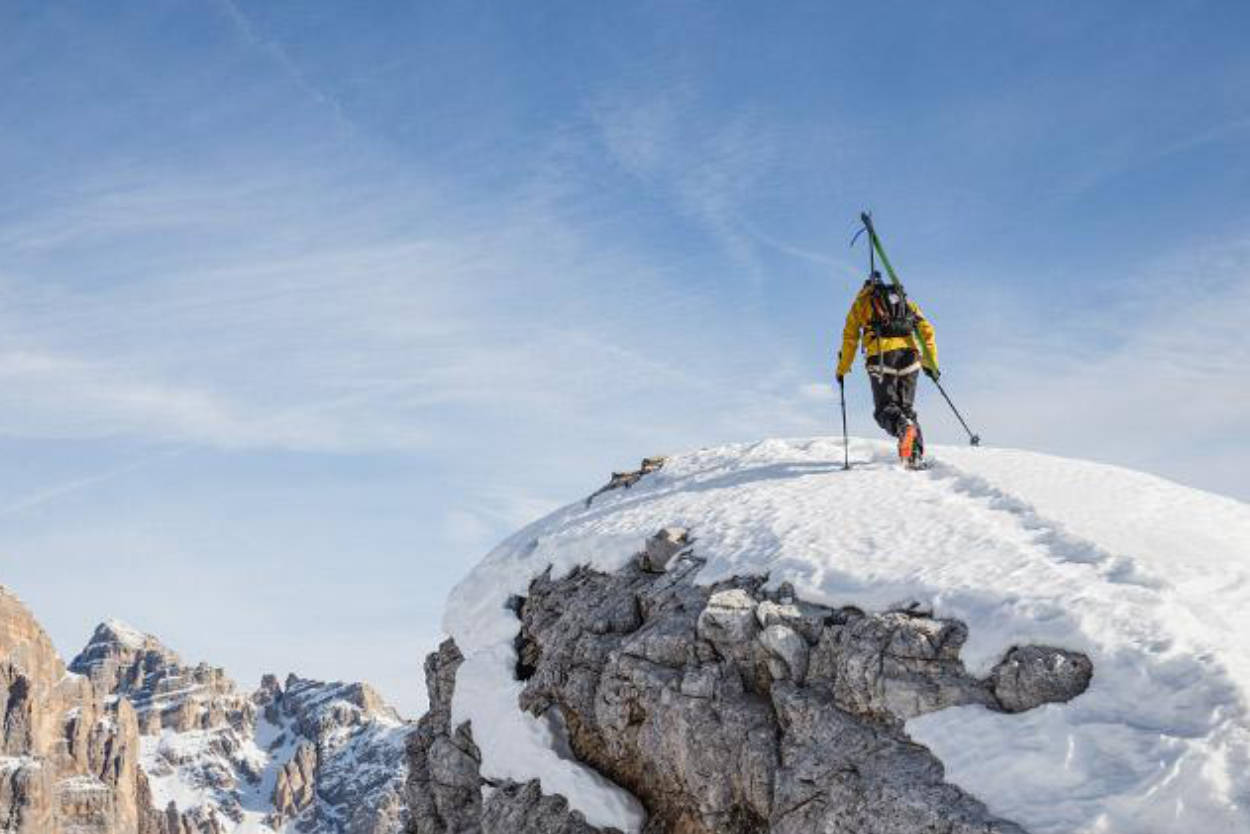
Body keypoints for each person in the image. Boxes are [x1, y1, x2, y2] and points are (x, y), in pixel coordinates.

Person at [835, 271, 939, 466]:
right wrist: (931, 364)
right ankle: (914, 455)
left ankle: (902, 428)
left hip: (881, 358)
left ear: (866, 287)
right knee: (906, 408)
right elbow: (927, 330)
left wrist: (842, 369)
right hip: (910, 358)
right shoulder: (904, 301)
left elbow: (850, 338)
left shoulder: (861, 304)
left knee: (885, 410)